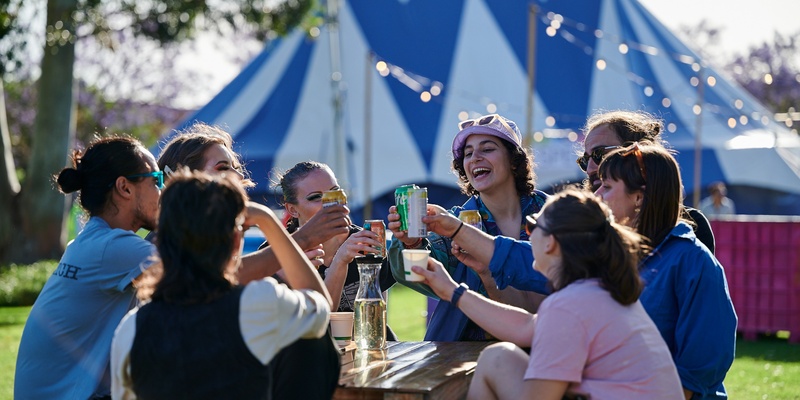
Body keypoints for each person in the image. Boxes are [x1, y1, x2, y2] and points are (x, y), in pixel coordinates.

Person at [414, 189, 683, 399]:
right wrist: (452, 291)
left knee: (496, 360)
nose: (527, 236)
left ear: (551, 241)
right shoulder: (596, 291)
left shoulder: (570, 304)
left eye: (532, 227)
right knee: (499, 357)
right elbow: (524, 326)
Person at [111, 170, 340, 399]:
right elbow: (320, 304)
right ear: (235, 241)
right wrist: (267, 220)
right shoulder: (257, 304)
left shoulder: (131, 328)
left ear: (161, 242)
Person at [15, 136, 161, 399]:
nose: (162, 192)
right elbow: (210, 280)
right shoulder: (114, 248)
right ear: (124, 188)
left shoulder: (94, 241)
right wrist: (258, 219)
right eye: (157, 180)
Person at [387, 113, 550, 341]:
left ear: (514, 160)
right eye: (468, 153)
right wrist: (410, 242)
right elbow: (415, 275)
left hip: (546, 342)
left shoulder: (552, 214)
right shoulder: (452, 222)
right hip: (461, 354)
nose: (475, 158)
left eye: (487, 149)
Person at [596, 143, 737, 399]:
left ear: (639, 197)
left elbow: (697, 372)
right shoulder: (612, 253)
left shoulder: (694, 262)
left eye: (606, 186)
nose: (597, 194)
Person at [155, 122, 352, 283]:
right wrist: (296, 246)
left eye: (237, 167)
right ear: (184, 179)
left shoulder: (226, 237)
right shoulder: (157, 247)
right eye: (223, 167)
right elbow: (207, 281)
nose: (239, 175)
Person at [275, 161, 396, 327]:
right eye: (316, 197)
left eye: (335, 192)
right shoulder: (276, 252)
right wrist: (340, 260)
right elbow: (313, 325)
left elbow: (375, 322)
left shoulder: (365, 242)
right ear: (293, 210)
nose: (330, 203)